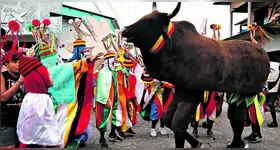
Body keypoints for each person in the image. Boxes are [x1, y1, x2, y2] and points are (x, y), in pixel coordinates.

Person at [1, 51, 25, 148]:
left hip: (23, 120)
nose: (18, 64)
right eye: (15, 62)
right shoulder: (3, 76)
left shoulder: (25, 75)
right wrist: (19, 82)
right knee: (9, 147)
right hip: (6, 120)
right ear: (6, 64)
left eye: (20, 61)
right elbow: (2, 97)